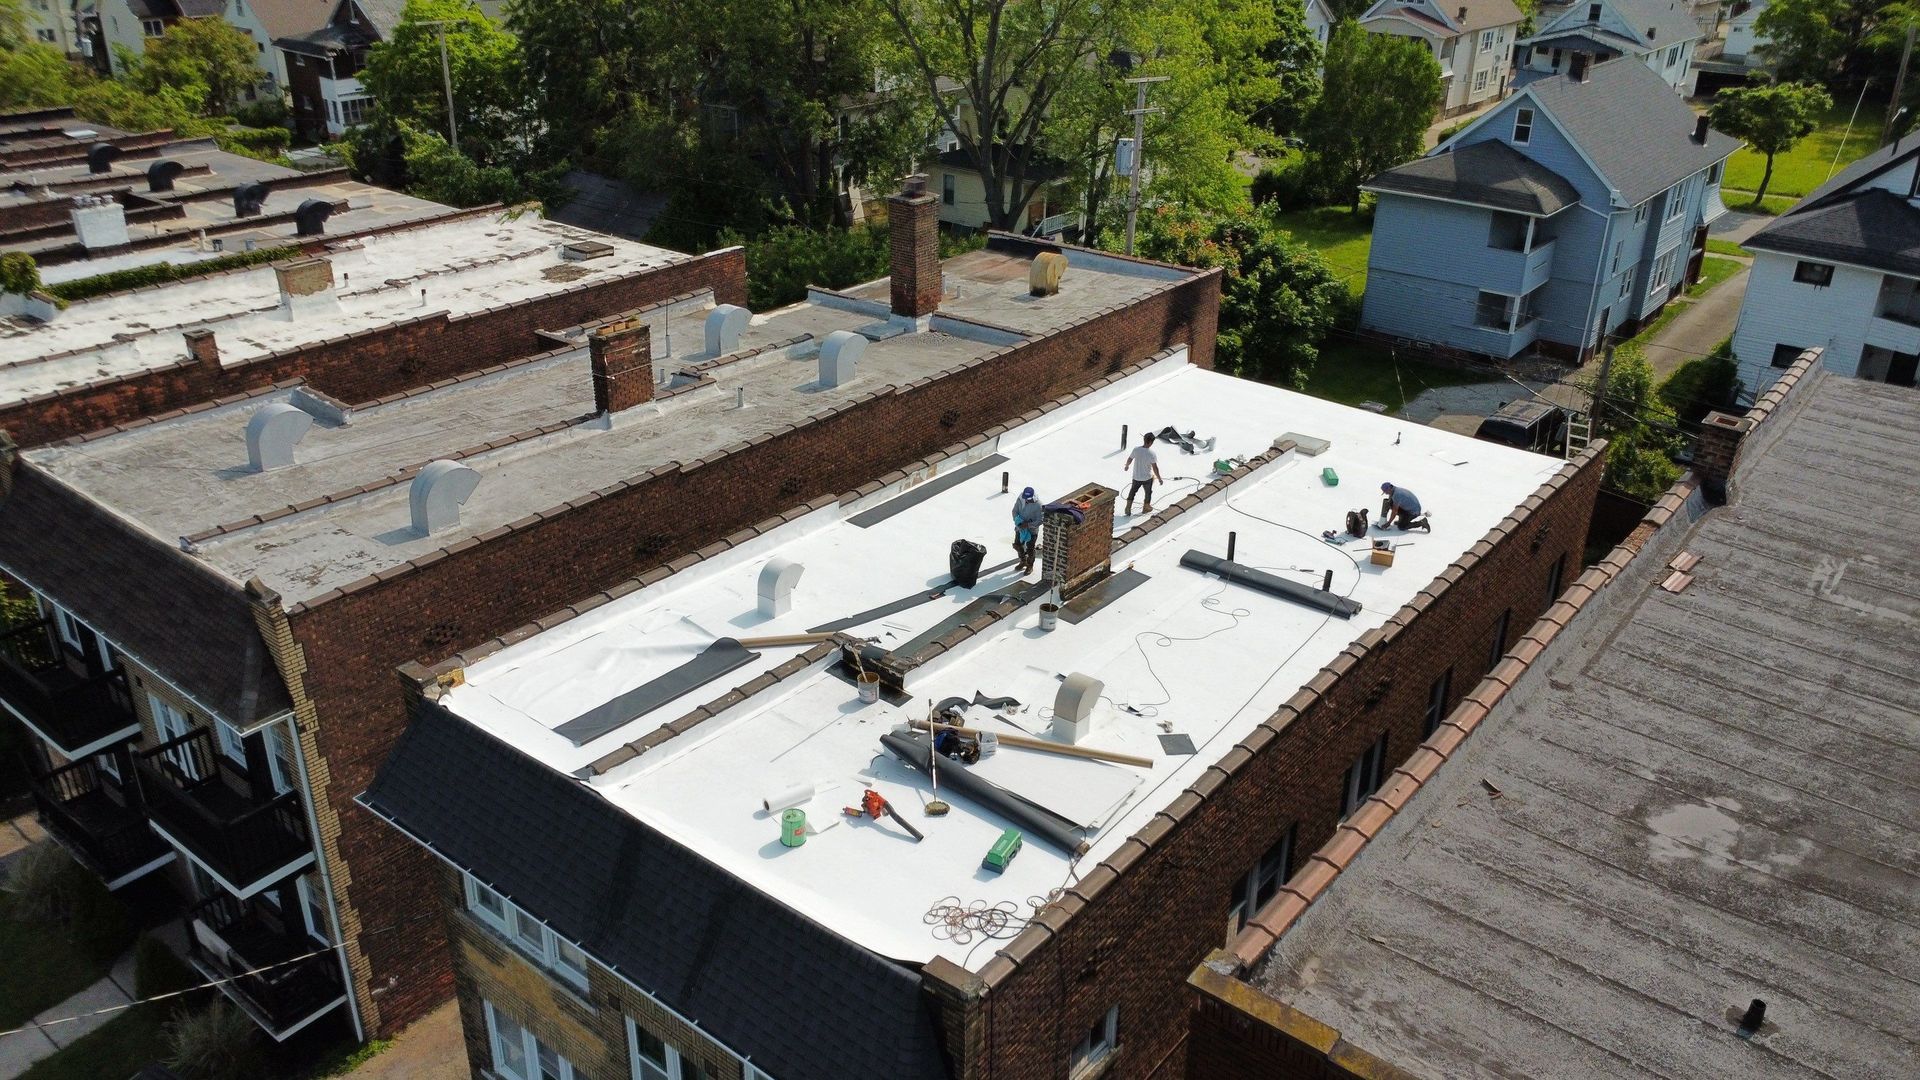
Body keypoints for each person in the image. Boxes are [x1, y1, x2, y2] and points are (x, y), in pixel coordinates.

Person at [1123, 431, 1162, 515]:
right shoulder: (1151, 453)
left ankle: (1128, 507)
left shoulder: (1136, 449)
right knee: (1148, 492)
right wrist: (1159, 478)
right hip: (1147, 478)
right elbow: (1155, 468)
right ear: (1151, 442)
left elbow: (1130, 459)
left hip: (1136, 477)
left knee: (1132, 491)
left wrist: (1127, 466)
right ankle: (1146, 507)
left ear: (1144, 440)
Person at [1011, 486, 1044, 574]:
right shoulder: (1020, 499)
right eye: (1026, 498)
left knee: (1030, 549)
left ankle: (1030, 565)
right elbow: (1014, 511)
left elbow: (1040, 520)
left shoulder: (1038, 505)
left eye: (1029, 499)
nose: (1027, 500)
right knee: (1017, 545)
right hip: (1020, 528)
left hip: (1032, 530)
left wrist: (1028, 525)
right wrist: (1018, 521)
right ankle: (1023, 561)